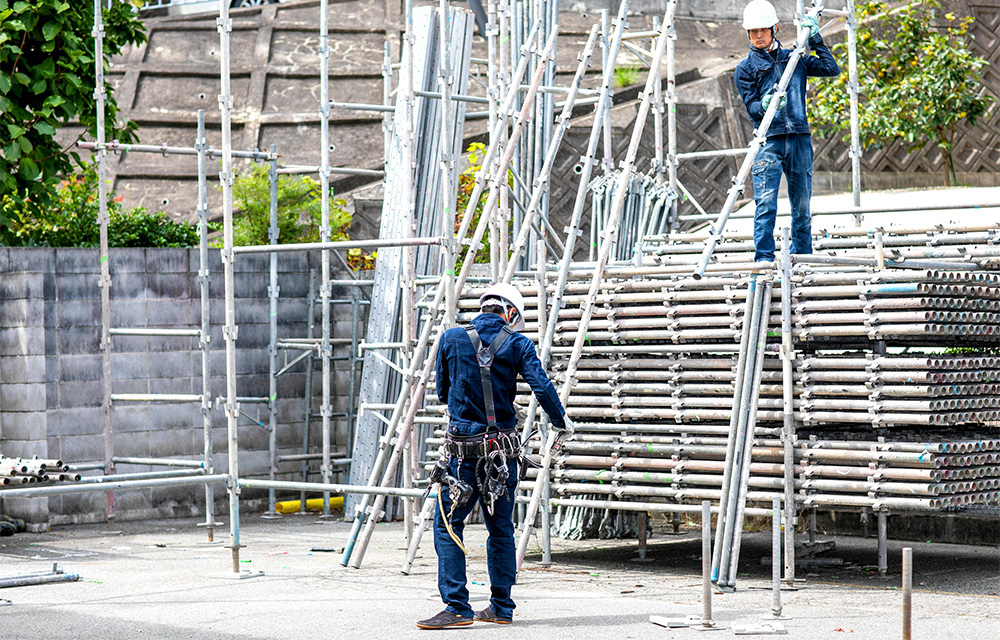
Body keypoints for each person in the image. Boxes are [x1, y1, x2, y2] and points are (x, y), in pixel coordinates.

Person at [417, 282, 572, 629]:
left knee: (448, 525)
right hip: (501, 455)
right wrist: (561, 421)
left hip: (462, 456)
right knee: (500, 528)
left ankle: (457, 607)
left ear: (484, 307)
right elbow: (542, 387)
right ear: (510, 313)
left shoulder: (451, 338)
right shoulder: (518, 343)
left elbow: (443, 392)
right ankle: (501, 607)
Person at [734, 0, 840, 262]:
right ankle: (764, 259)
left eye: (763, 30)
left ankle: (802, 258)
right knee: (766, 204)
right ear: (747, 33)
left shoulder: (795, 58)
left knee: (802, 206)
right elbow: (752, 109)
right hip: (768, 140)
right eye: (753, 31)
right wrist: (765, 104)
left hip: (799, 139)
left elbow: (831, 68)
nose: (758, 36)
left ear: (775, 29)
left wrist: (814, 39)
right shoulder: (745, 69)